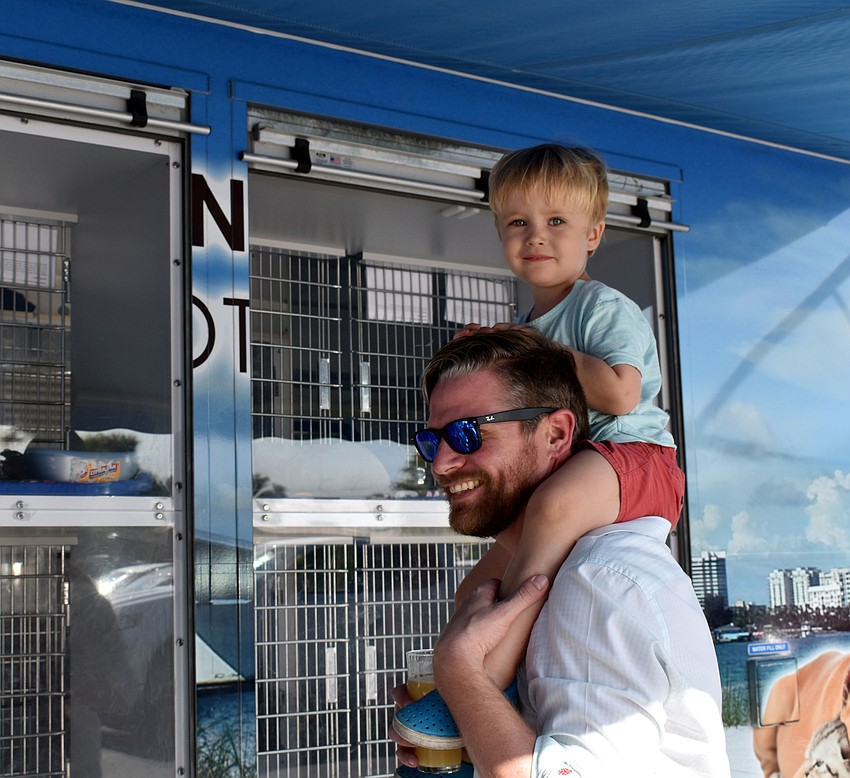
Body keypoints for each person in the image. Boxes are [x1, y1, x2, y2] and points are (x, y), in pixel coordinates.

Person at [396, 142, 685, 741]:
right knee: (479, 580)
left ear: (594, 234)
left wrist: (537, 352)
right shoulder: (528, 325)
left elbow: (622, 394)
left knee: (549, 510)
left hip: (637, 461)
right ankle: (464, 673)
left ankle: (475, 685)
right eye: (518, 223)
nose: (537, 236)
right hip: (583, 466)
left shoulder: (601, 307)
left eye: (557, 222)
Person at [393, 327, 728, 776]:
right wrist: (474, 723)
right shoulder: (554, 574)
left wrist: (461, 675)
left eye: (468, 433)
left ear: (556, 434)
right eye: (432, 442)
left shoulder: (595, 583)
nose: (440, 463)